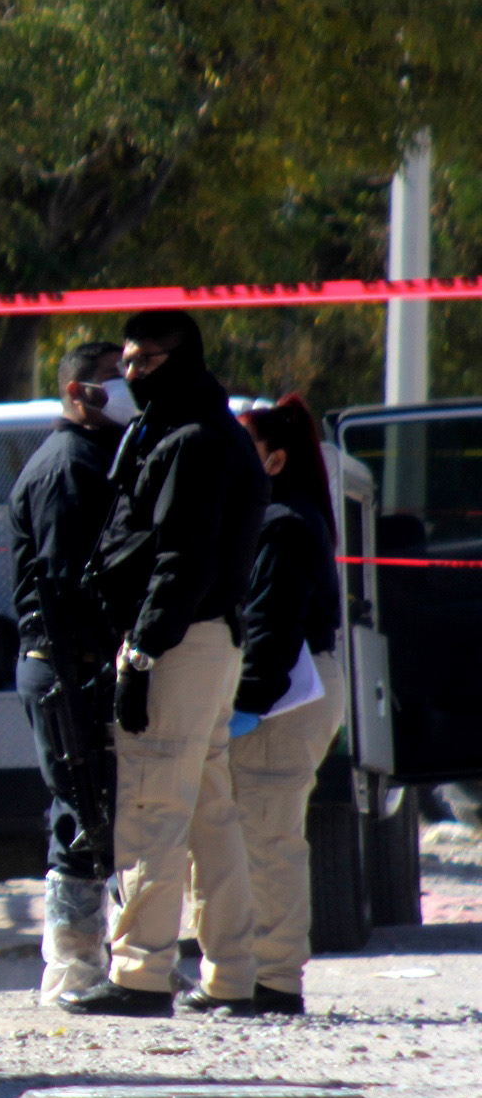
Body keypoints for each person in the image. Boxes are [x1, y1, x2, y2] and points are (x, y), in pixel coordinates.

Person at [61, 310, 267, 1018]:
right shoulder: (202, 431)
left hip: (179, 643)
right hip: (207, 641)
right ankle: (235, 972)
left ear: (183, 359)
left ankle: (142, 973)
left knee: (152, 807)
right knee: (210, 813)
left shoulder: (190, 440)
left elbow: (180, 559)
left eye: (147, 360)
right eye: (127, 360)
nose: (132, 373)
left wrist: (142, 653)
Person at [181, 395, 345, 1017]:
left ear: (274, 460)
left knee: (267, 838)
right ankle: (246, 973)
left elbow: (271, 633)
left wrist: (239, 709)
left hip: (281, 694)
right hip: (279, 688)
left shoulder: (281, 522)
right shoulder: (274, 516)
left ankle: (273, 979)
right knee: (251, 835)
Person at [7, 340, 130, 1000]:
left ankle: (119, 959)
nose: (127, 388)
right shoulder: (66, 468)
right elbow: (61, 587)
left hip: (81, 663)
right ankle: (74, 972)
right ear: (80, 393)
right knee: (81, 813)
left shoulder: (101, 459)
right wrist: (88, 674)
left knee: (107, 807)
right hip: (65, 666)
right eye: (114, 379)